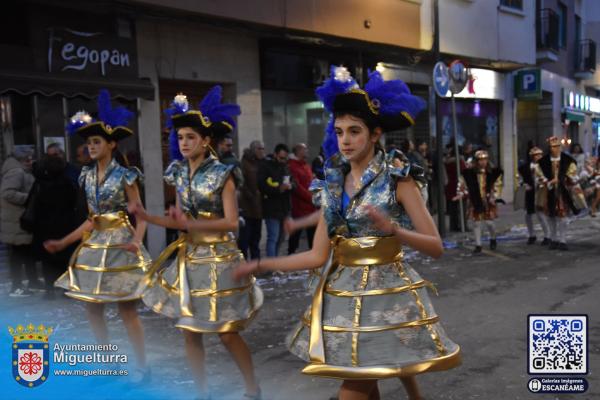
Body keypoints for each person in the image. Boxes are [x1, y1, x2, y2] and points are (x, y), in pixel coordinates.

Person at [234, 66, 460, 400]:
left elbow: (436, 246)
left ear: (375, 134)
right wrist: (261, 265)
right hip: (343, 296)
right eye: (340, 132)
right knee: (368, 380)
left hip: (387, 296)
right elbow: (317, 255)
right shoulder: (331, 184)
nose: (346, 140)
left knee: (354, 389)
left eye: (355, 131)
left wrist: (393, 229)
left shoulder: (398, 180)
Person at [131, 88, 262, 399]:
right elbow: (179, 221)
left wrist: (190, 223)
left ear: (206, 140)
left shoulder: (223, 173)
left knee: (227, 334)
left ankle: (252, 388)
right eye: (180, 137)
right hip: (190, 260)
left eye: (190, 137)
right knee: (189, 332)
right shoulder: (177, 173)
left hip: (220, 260)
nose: (184, 142)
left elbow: (231, 222)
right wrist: (147, 215)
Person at [44, 90, 151, 380]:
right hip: (94, 247)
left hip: (120, 247)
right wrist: (64, 241)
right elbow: (92, 220)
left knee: (127, 311)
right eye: (88, 142)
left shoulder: (126, 175)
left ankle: (142, 366)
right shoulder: (86, 175)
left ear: (111, 144)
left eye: (96, 141)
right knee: (93, 310)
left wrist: (136, 241)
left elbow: (139, 214)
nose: (91, 146)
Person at [30, 151, 80, 299]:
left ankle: (49, 290)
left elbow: (35, 205)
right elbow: (73, 203)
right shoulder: (67, 184)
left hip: (45, 225)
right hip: (66, 224)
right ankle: (66, 288)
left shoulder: (40, 185)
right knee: (66, 257)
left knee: (47, 259)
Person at [1, 146, 43, 296]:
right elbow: (7, 193)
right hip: (16, 220)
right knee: (17, 255)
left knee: (26, 252)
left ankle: (32, 282)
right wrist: (29, 199)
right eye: (28, 158)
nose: (31, 160)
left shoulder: (22, 171)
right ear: (20, 159)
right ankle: (16, 286)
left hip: (20, 220)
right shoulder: (16, 172)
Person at [535, 136, 585, 250]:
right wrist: (548, 181)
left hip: (562, 192)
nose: (555, 149)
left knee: (562, 216)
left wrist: (564, 179)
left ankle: (562, 240)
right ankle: (553, 239)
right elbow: (538, 176)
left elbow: (573, 174)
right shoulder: (542, 162)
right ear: (549, 148)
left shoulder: (568, 160)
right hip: (549, 192)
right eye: (553, 147)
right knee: (550, 216)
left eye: (557, 146)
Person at [456, 150, 503, 253]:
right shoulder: (469, 173)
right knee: (476, 223)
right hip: (475, 199)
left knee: (489, 223)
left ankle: (493, 238)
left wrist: (493, 196)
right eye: (480, 160)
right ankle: (478, 245)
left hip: (488, 200)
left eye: (485, 159)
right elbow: (462, 183)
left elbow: (498, 184)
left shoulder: (493, 172)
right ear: (476, 161)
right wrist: (460, 193)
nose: (483, 162)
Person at [257, 143, 293, 257]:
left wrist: (291, 185)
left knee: (281, 238)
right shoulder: (266, 166)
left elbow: (294, 181)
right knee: (273, 237)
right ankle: (271, 266)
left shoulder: (285, 166)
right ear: (275, 155)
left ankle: (275, 263)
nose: (283, 160)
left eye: (285, 158)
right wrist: (278, 189)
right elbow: (261, 185)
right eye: (281, 158)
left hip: (284, 207)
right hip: (271, 207)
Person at [238, 141, 266, 260]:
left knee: (255, 240)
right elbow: (241, 183)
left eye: (263, 149)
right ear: (254, 150)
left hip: (258, 208)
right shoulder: (245, 163)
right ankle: (244, 266)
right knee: (245, 241)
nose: (262, 151)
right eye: (260, 149)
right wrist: (251, 195)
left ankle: (256, 267)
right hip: (247, 208)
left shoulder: (261, 163)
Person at [518, 147, 551, 245]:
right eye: (536, 155)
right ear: (532, 157)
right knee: (528, 215)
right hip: (530, 192)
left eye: (540, 155)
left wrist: (545, 182)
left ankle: (547, 236)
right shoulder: (524, 167)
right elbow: (521, 179)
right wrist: (524, 184)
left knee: (541, 214)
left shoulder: (546, 166)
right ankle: (531, 235)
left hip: (541, 192)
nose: (538, 157)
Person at [287, 143, 316, 254]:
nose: (307, 151)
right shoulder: (292, 166)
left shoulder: (305, 165)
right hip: (299, 207)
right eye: (305, 149)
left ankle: (313, 260)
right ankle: (290, 258)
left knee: (312, 236)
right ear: (299, 151)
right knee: (295, 235)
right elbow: (297, 187)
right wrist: (310, 197)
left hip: (310, 207)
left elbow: (311, 182)